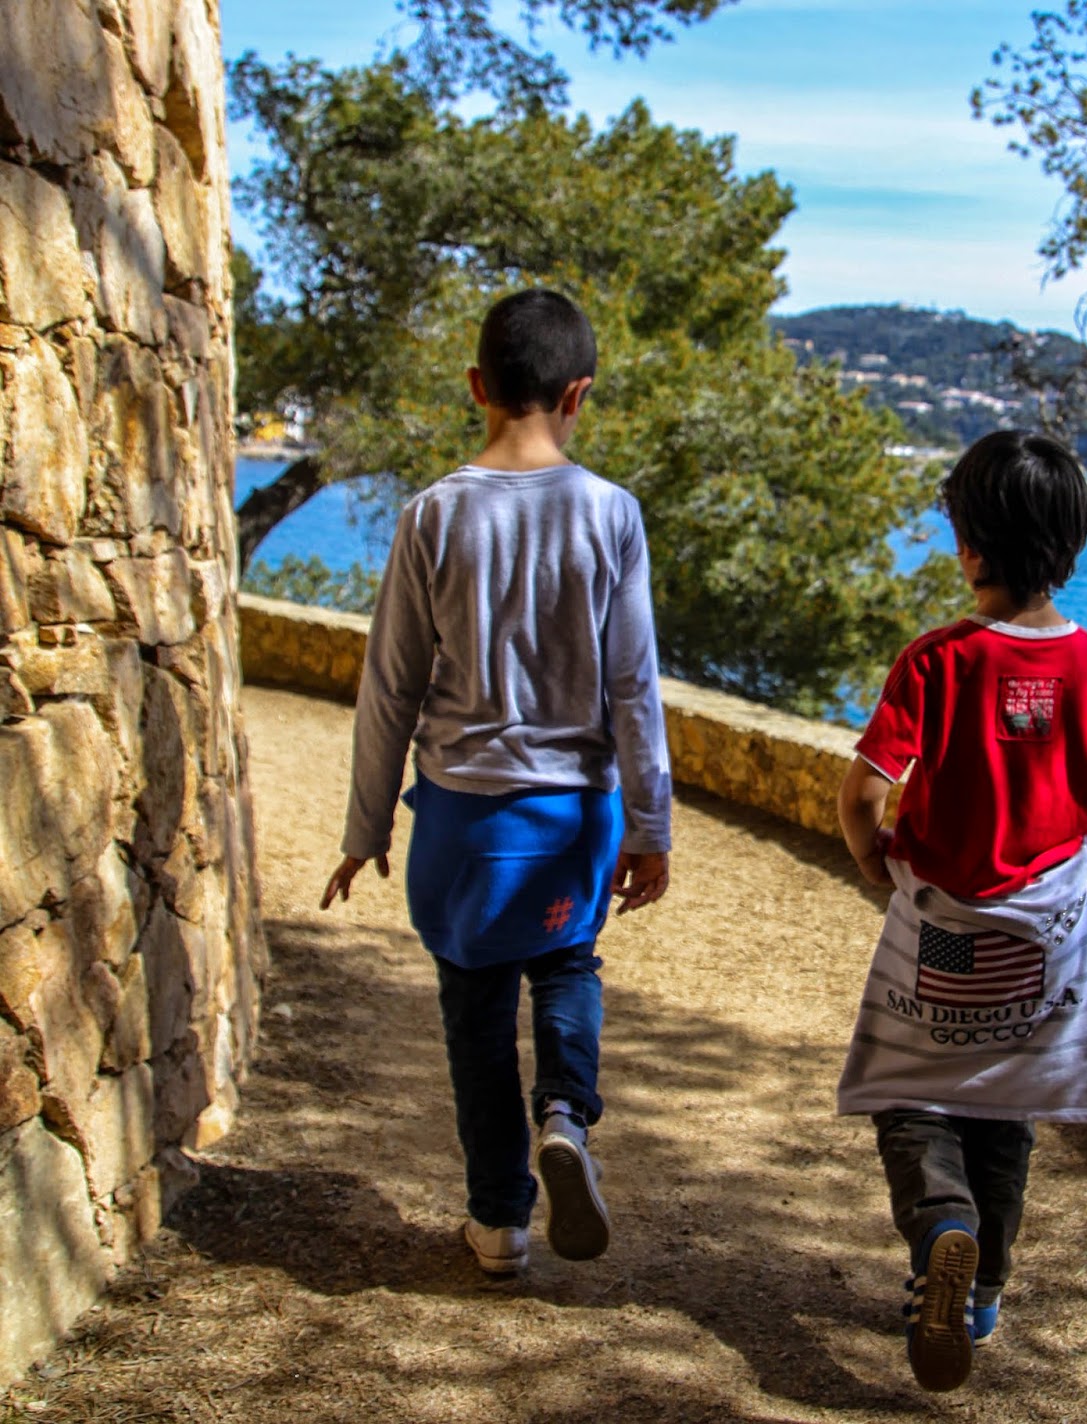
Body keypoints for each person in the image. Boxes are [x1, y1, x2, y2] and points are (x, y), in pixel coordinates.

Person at [835, 428, 1087, 1392]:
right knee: (1006, 1118)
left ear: (969, 546)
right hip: (1043, 946)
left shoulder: (936, 662)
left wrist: (876, 861)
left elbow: (865, 790)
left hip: (944, 938)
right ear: (1071, 548)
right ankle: (985, 1288)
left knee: (912, 1097)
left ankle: (941, 1229)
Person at [320, 288, 672, 1276]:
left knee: (472, 1007)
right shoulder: (611, 514)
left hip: (458, 821)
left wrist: (365, 827)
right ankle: (566, 1109)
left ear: (476, 386)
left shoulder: (431, 514)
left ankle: (499, 1219)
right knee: (565, 966)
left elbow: (389, 684)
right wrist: (651, 825)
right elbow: (634, 687)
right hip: (573, 815)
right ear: (581, 393)